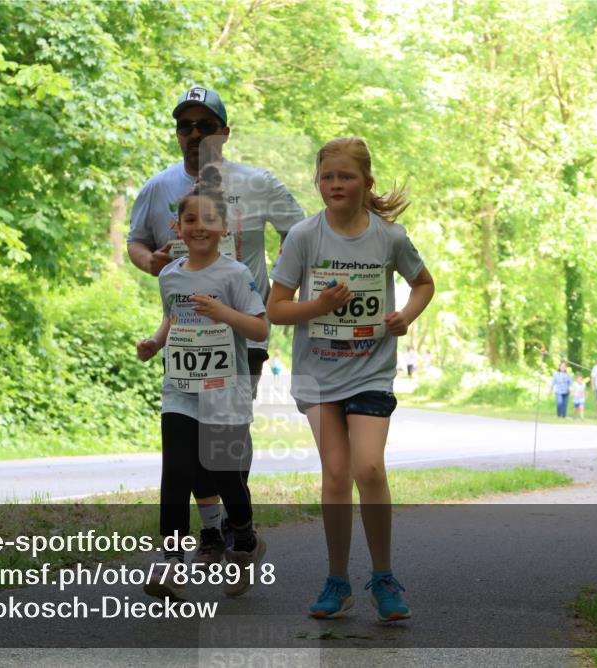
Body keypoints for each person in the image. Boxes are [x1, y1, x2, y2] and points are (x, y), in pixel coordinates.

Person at [128, 87, 305, 566]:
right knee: (188, 440)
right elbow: (137, 243)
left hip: (242, 330)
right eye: (186, 125)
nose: (195, 134)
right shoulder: (159, 187)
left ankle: (236, 524)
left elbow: (302, 236)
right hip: (188, 332)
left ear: (224, 133)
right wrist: (155, 265)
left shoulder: (259, 183)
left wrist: (282, 288)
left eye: (205, 125)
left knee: (224, 439)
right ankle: (211, 532)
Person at [267, 137, 435, 622]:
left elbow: (424, 283)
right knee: (336, 475)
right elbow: (276, 309)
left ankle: (383, 576)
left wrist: (406, 314)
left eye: (345, 177)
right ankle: (337, 580)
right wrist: (319, 306)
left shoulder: (389, 237)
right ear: (318, 182)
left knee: (369, 469)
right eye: (327, 177)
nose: (335, 185)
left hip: (370, 370)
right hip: (319, 376)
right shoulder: (303, 237)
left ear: (366, 182)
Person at [137, 180, 268, 601]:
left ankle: (244, 540)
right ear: (177, 227)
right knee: (176, 474)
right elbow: (172, 318)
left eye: (208, 220)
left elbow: (261, 327)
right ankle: (171, 562)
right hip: (180, 390)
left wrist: (223, 312)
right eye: (190, 219)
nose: (198, 227)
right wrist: (155, 342)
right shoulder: (171, 275)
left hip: (225, 391)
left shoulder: (235, 274)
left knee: (226, 477)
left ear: (223, 228)